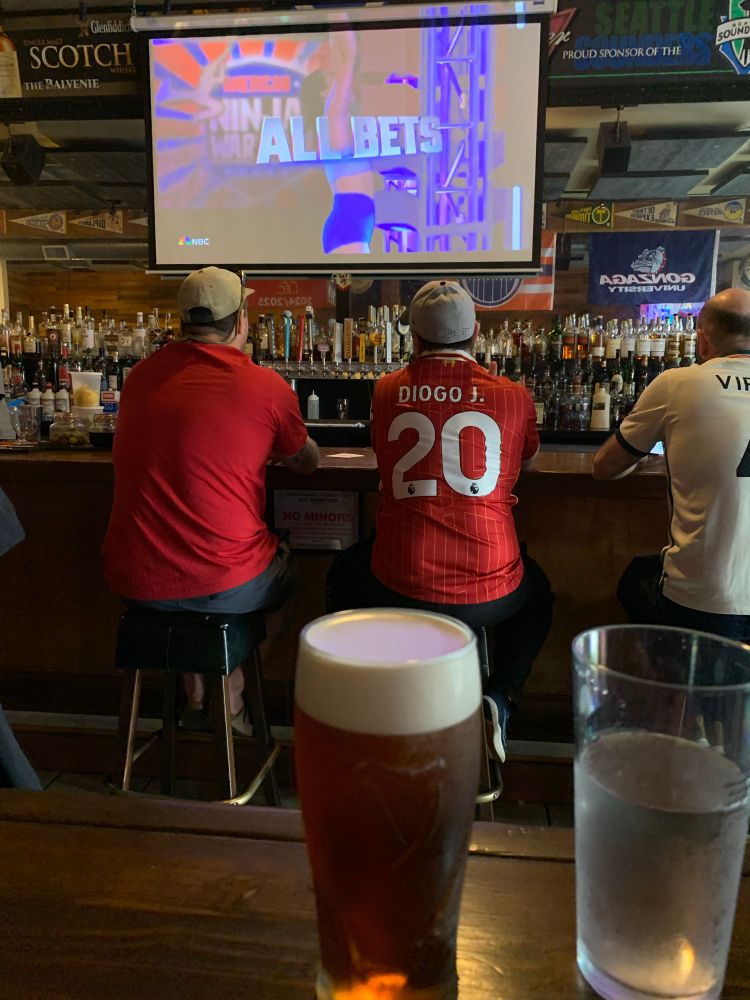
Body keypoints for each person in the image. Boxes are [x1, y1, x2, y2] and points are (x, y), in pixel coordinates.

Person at [326, 280, 553, 762]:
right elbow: (527, 461)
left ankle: (368, 702)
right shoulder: (513, 395)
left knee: (342, 575)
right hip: (488, 591)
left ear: (413, 337)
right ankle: (500, 696)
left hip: (399, 583)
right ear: (475, 333)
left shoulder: (387, 390)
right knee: (539, 596)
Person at [102, 267, 319, 732]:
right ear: (241, 320)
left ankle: (195, 690)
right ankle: (232, 688)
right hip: (227, 581)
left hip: (135, 580)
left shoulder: (139, 377)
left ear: (182, 322)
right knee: (289, 575)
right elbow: (305, 462)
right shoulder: (265, 386)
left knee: (188, 593)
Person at [593, 288, 750, 642]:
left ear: (702, 341)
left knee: (634, 583)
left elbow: (604, 468)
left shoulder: (678, 383)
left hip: (706, 595)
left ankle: (661, 689)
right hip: (722, 597)